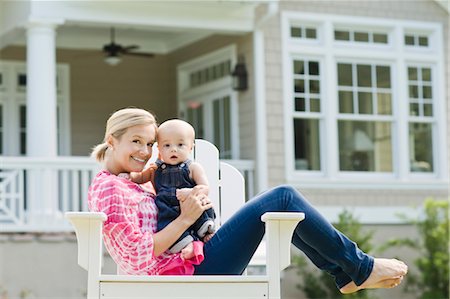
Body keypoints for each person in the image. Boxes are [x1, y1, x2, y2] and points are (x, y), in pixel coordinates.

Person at [88, 107, 408, 292]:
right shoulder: (109, 188)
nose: (144, 152)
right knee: (282, 197)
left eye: (149, 144)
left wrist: (193, 201)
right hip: (184, 276)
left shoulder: (130, 181)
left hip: (192, 261)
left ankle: (346, 272)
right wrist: (187, 218)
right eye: (135, 142)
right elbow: (136, 256)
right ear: (111, 141)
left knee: (283, 207)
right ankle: (358, 267)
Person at [127, 119, 215, 259]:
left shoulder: (192, 167)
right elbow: (140, 178)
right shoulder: (155, 170)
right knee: (166, 224)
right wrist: (128, 176)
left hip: (190, 203)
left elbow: (205, 188)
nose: (173, 149)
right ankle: (188, 245)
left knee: (202, 204)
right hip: (167, 209)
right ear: (160, 149)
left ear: (190, 147)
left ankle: (206, 230)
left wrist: (191, 192)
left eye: (180, 144)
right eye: (167, 145)